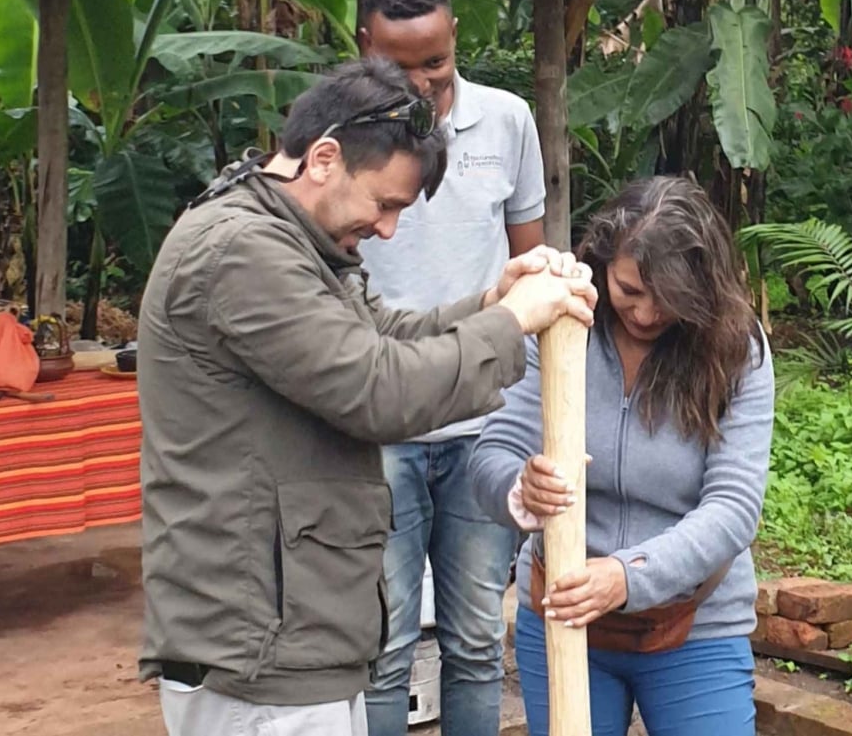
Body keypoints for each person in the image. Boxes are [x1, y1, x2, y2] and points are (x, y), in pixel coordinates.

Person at [137, 57, 596, 736]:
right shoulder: (241, 252)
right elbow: (377, 387)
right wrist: (511, 323)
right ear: (324, 158)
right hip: (257, 652)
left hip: (294, 633)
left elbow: (380, 334)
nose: (387, 230)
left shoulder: (290, 237)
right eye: (384, 205)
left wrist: (493, 300)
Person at [469, 177, 775, 736]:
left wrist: (627, 576)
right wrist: (520, 488)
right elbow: (494, 451)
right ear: (602, 263)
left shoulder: (737, 349)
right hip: (563, 620)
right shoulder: (557, 324)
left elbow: (733, 508)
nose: (647, 313)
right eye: (629, 290)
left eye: (671, 299)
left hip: (694, 624)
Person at [355, 0, 547, 736]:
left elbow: (527, 271)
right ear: (363, 46)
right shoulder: (341, 142)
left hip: (482, 429)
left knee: (473, 638)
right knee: (383, 645)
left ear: (455, 39)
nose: (422, 83)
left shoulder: (507, 122)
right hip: (380, 426)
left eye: (435, 62)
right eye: (398, 66)